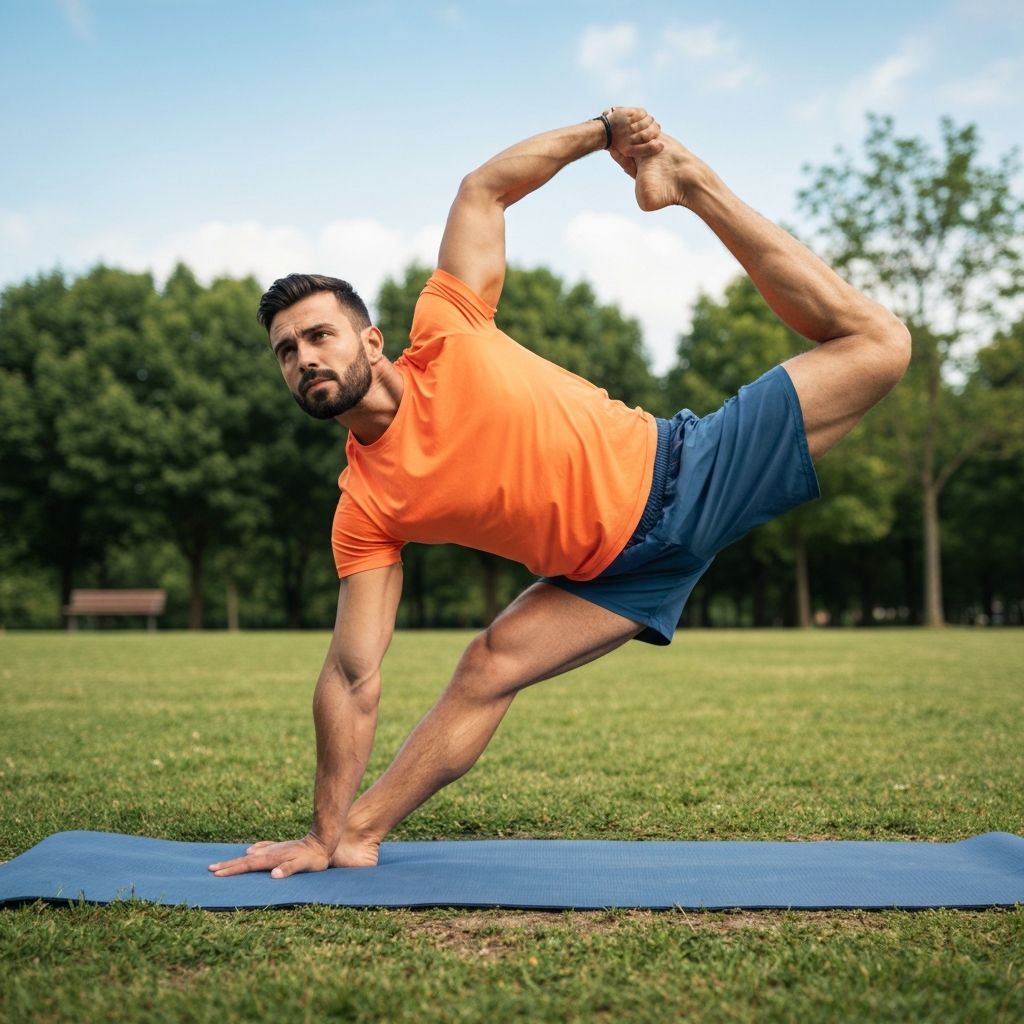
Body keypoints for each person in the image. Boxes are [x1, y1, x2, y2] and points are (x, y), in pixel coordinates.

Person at [209, 108, 910, 880]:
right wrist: (318, 828)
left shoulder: (447, 328)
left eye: (318, 336)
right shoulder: (365, 506)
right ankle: (357, 832)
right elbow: (352, 674)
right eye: (285, 352)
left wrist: (604, 132)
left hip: (684, 475)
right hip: (608, 579)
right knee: (488, 666)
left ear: (370, 342)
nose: (303, 359)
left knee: (879, 344)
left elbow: (483, 190)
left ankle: (696, 185)